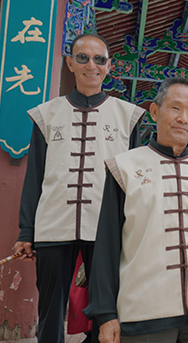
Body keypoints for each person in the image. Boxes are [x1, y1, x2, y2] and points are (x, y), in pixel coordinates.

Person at [83, 77, 188, 343]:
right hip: (144, 314)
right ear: (155, 111)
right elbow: (106, 247)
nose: (184, 118)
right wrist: (104, 313)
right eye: (175, 108)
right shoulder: (124, 168)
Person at [12, 33, 145, 343]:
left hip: (106, 227)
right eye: (83, 58)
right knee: (50, 309)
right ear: (70, 63)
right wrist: (26, 231)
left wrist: (133, 230)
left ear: (109, 66)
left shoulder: (128, 116)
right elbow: (35, 176)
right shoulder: (47, 114)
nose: (91, 65)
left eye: (99, 59)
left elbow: (134, 182)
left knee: (107, 309)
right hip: (53, 224)